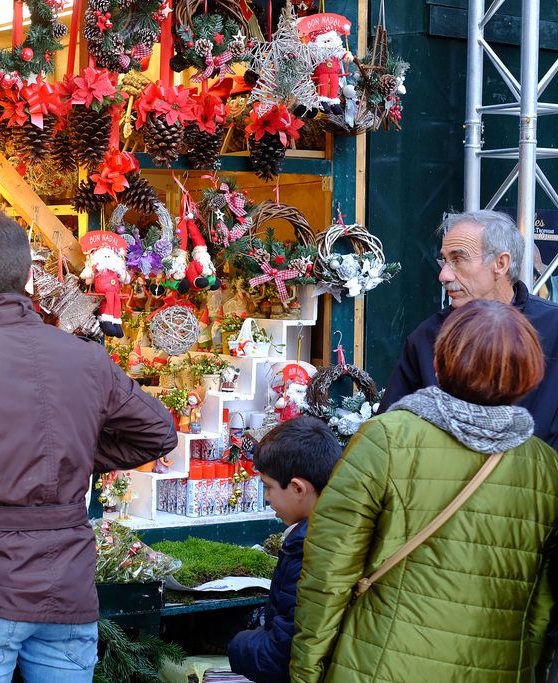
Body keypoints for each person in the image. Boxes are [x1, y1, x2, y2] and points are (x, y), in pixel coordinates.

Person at [0, 209, 177, 682]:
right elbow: (158, 431)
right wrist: (74, 457)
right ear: (29, 277)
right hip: (64, 588)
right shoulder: (85, 357)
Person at [291, 300, 558, 682]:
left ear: (440, 361)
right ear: (530, 374)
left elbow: (328, 574)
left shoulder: (387, 438)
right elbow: (539, 607)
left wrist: (306, 670)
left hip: (378, 664)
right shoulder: (545, 467)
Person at [379, 209, 558, 448]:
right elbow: (388, 434)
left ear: (500, 263)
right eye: (444, 259)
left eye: (458, 258)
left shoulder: (554, 327)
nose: (443, 274)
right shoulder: (427, 336)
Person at [227, 416, 341, 683]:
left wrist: (237, 645)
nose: (267, 498)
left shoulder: (309, 550)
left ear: (298, 488)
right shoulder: (330, 532)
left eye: (268, 487)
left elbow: (278, 656)